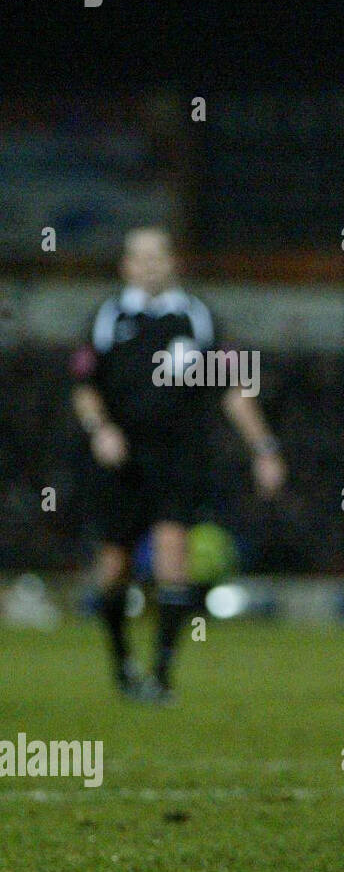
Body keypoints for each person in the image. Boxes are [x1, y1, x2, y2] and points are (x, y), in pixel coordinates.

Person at [70, 227, 286, 702]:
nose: (149, 265)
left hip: (179, 457)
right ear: (126, 265)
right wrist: (100, 429)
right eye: (139, 257)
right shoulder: (108, 317)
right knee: (114, 566)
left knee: (173, 556)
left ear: (173, 262)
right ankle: (122, 665)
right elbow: (84, 387)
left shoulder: (199, 317)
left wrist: (264, 448)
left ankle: (161, 675)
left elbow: (235, 387)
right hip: (121, 460)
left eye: (158, 256)